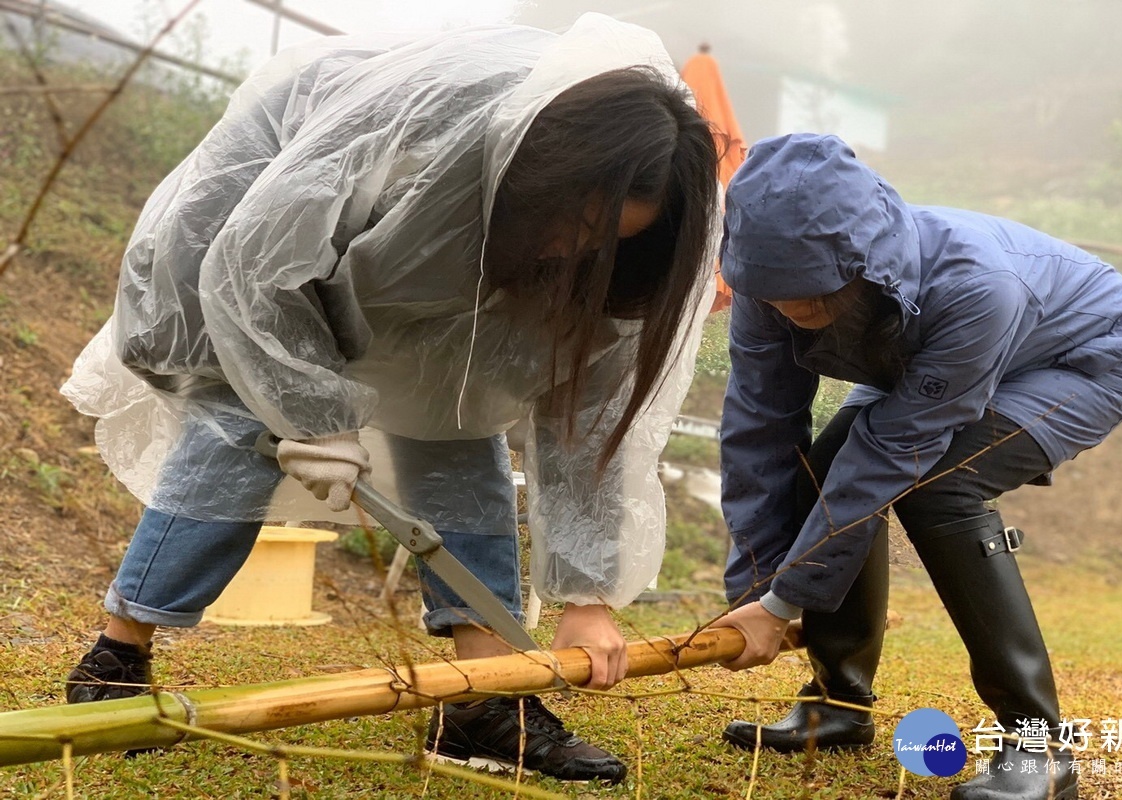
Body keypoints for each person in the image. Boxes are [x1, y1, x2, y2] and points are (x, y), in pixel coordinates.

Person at [59, 14, 719, 785]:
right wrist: (310, 416)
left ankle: (482, 699)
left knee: (460, 421)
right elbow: (256, 276)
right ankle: (116, 656)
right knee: (240, 422)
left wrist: (585, 591)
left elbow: (589, 419)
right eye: (574, 223)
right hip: (260, 243)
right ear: (543, 178)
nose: (575, 250)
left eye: (608, 242)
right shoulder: (418, 137)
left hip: (431, 271)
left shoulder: (611, 265)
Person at [709, 133, 1122, 800]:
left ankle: (1038, 748)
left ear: (860, 259)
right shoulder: (766, 284)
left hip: (1089, 355)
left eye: (812, 290)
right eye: (775, 292)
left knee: (940, 483)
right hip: (926, 359)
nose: (792, 310)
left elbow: (894, 452)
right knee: (826, 463)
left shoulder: (978, 287)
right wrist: (756, 587)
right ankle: (839, 703)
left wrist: (784, 601)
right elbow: (760, 427)